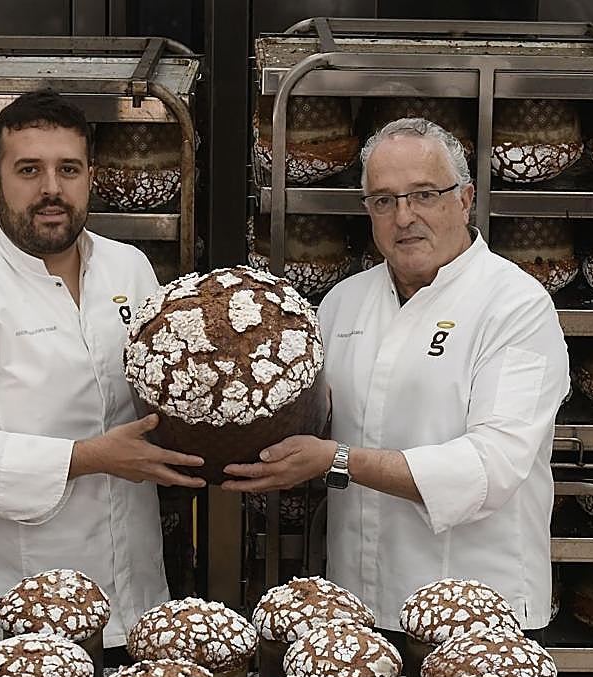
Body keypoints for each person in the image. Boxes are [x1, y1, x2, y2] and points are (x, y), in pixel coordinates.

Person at [222, 117, 570, 630]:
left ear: (465, 198)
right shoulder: (344, 304)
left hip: (475, 614)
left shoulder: (517, 307)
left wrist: (338, 460)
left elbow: (492, 468)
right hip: (357, 608)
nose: (404, 216)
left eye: (424, 195)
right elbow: (306, 418)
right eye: (384, 200)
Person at [0, 92, 204, 646]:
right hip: (17, 615)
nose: (51, 189)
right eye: (29, 170)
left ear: (91, 178)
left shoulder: (128, 268)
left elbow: (164, 389)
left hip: (134, 600)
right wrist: (88, 458)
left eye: (68, 169)